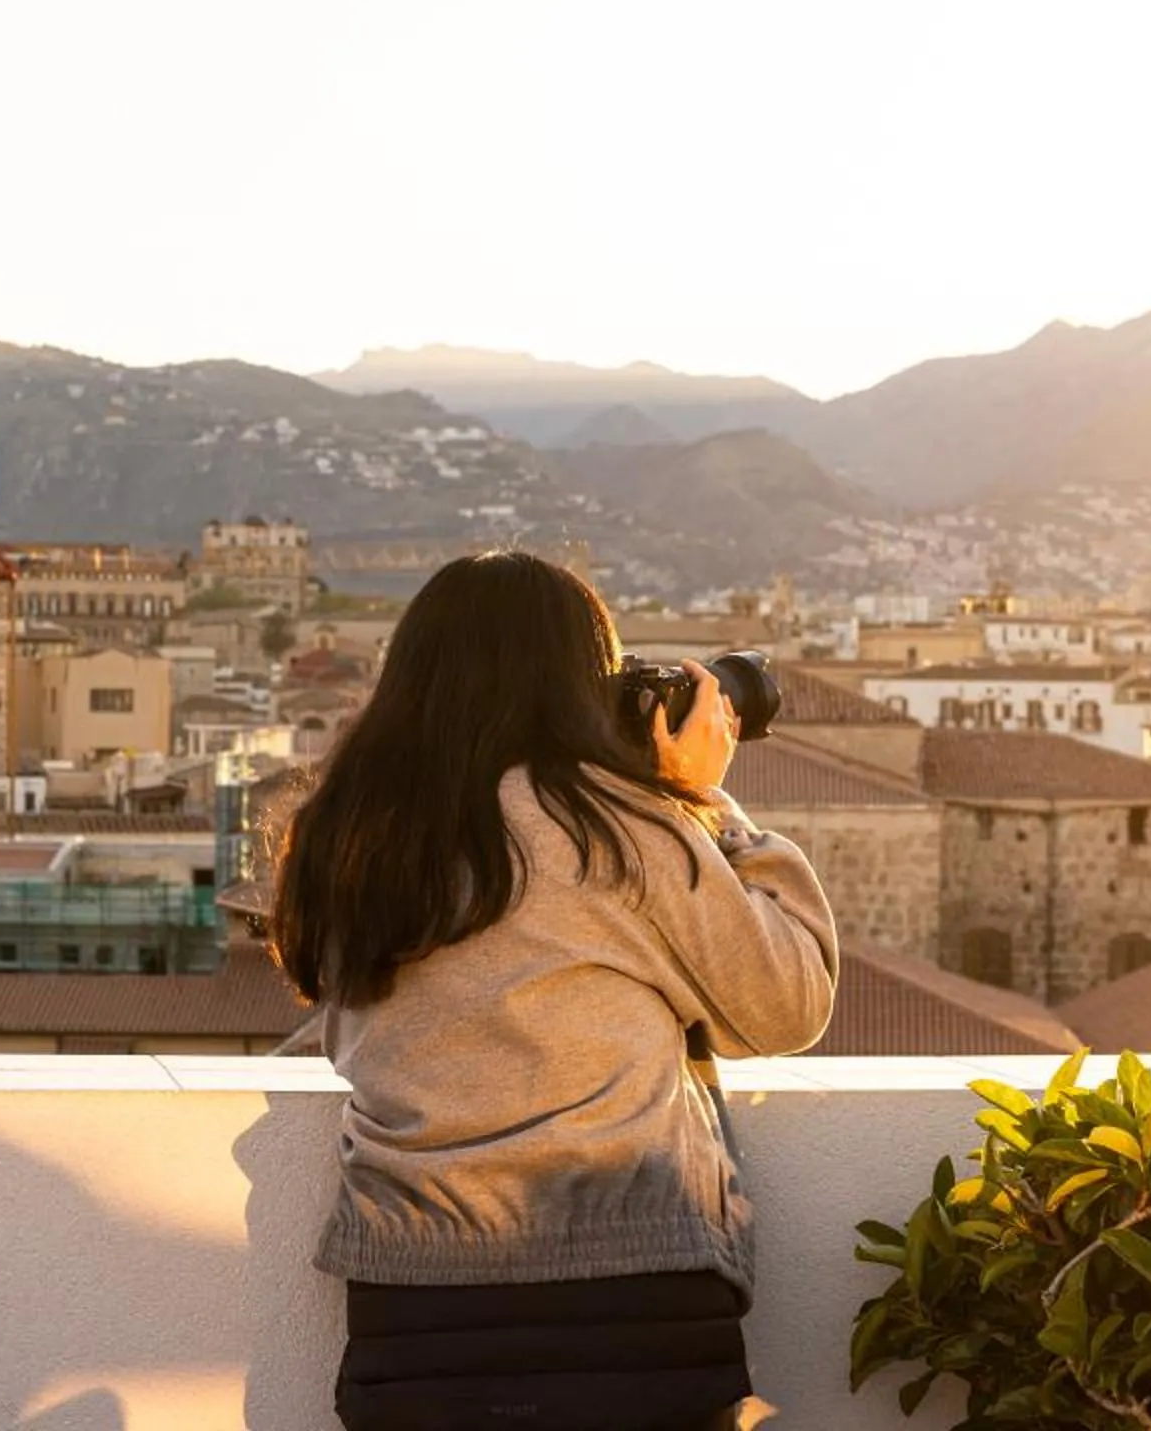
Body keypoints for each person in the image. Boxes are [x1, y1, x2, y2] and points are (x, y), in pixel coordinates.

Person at [269, 550, 838, 1431]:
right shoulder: (613, 830)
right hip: (631, 1301)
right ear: (581, 683)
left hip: (413, 1306)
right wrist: (704, 801)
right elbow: (788, 1004)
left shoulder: (350, 836)